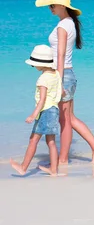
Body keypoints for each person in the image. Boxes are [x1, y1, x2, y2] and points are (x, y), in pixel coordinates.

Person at [35, 0, 94, 165]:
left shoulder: (62, 26)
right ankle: (92, 148)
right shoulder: (70, 23)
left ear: (61, 6)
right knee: (69, 118)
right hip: (69, 73)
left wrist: (56, 81)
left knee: (65, 120)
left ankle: (66, 158)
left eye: (52, 5)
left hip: (63, 74)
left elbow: (60, 55)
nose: (50, 8)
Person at [10, 45, 63, 176]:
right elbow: (61, 91)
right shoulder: (56, 74)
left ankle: (23, 167)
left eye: (34, 65)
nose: (34, 67)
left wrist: (33, 115)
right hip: (54, 110)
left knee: (33, 140)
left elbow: (42, 100)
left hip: (45, 111)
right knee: (51, 142)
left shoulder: (42, 79)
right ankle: (54, 170)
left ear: (40, 64)